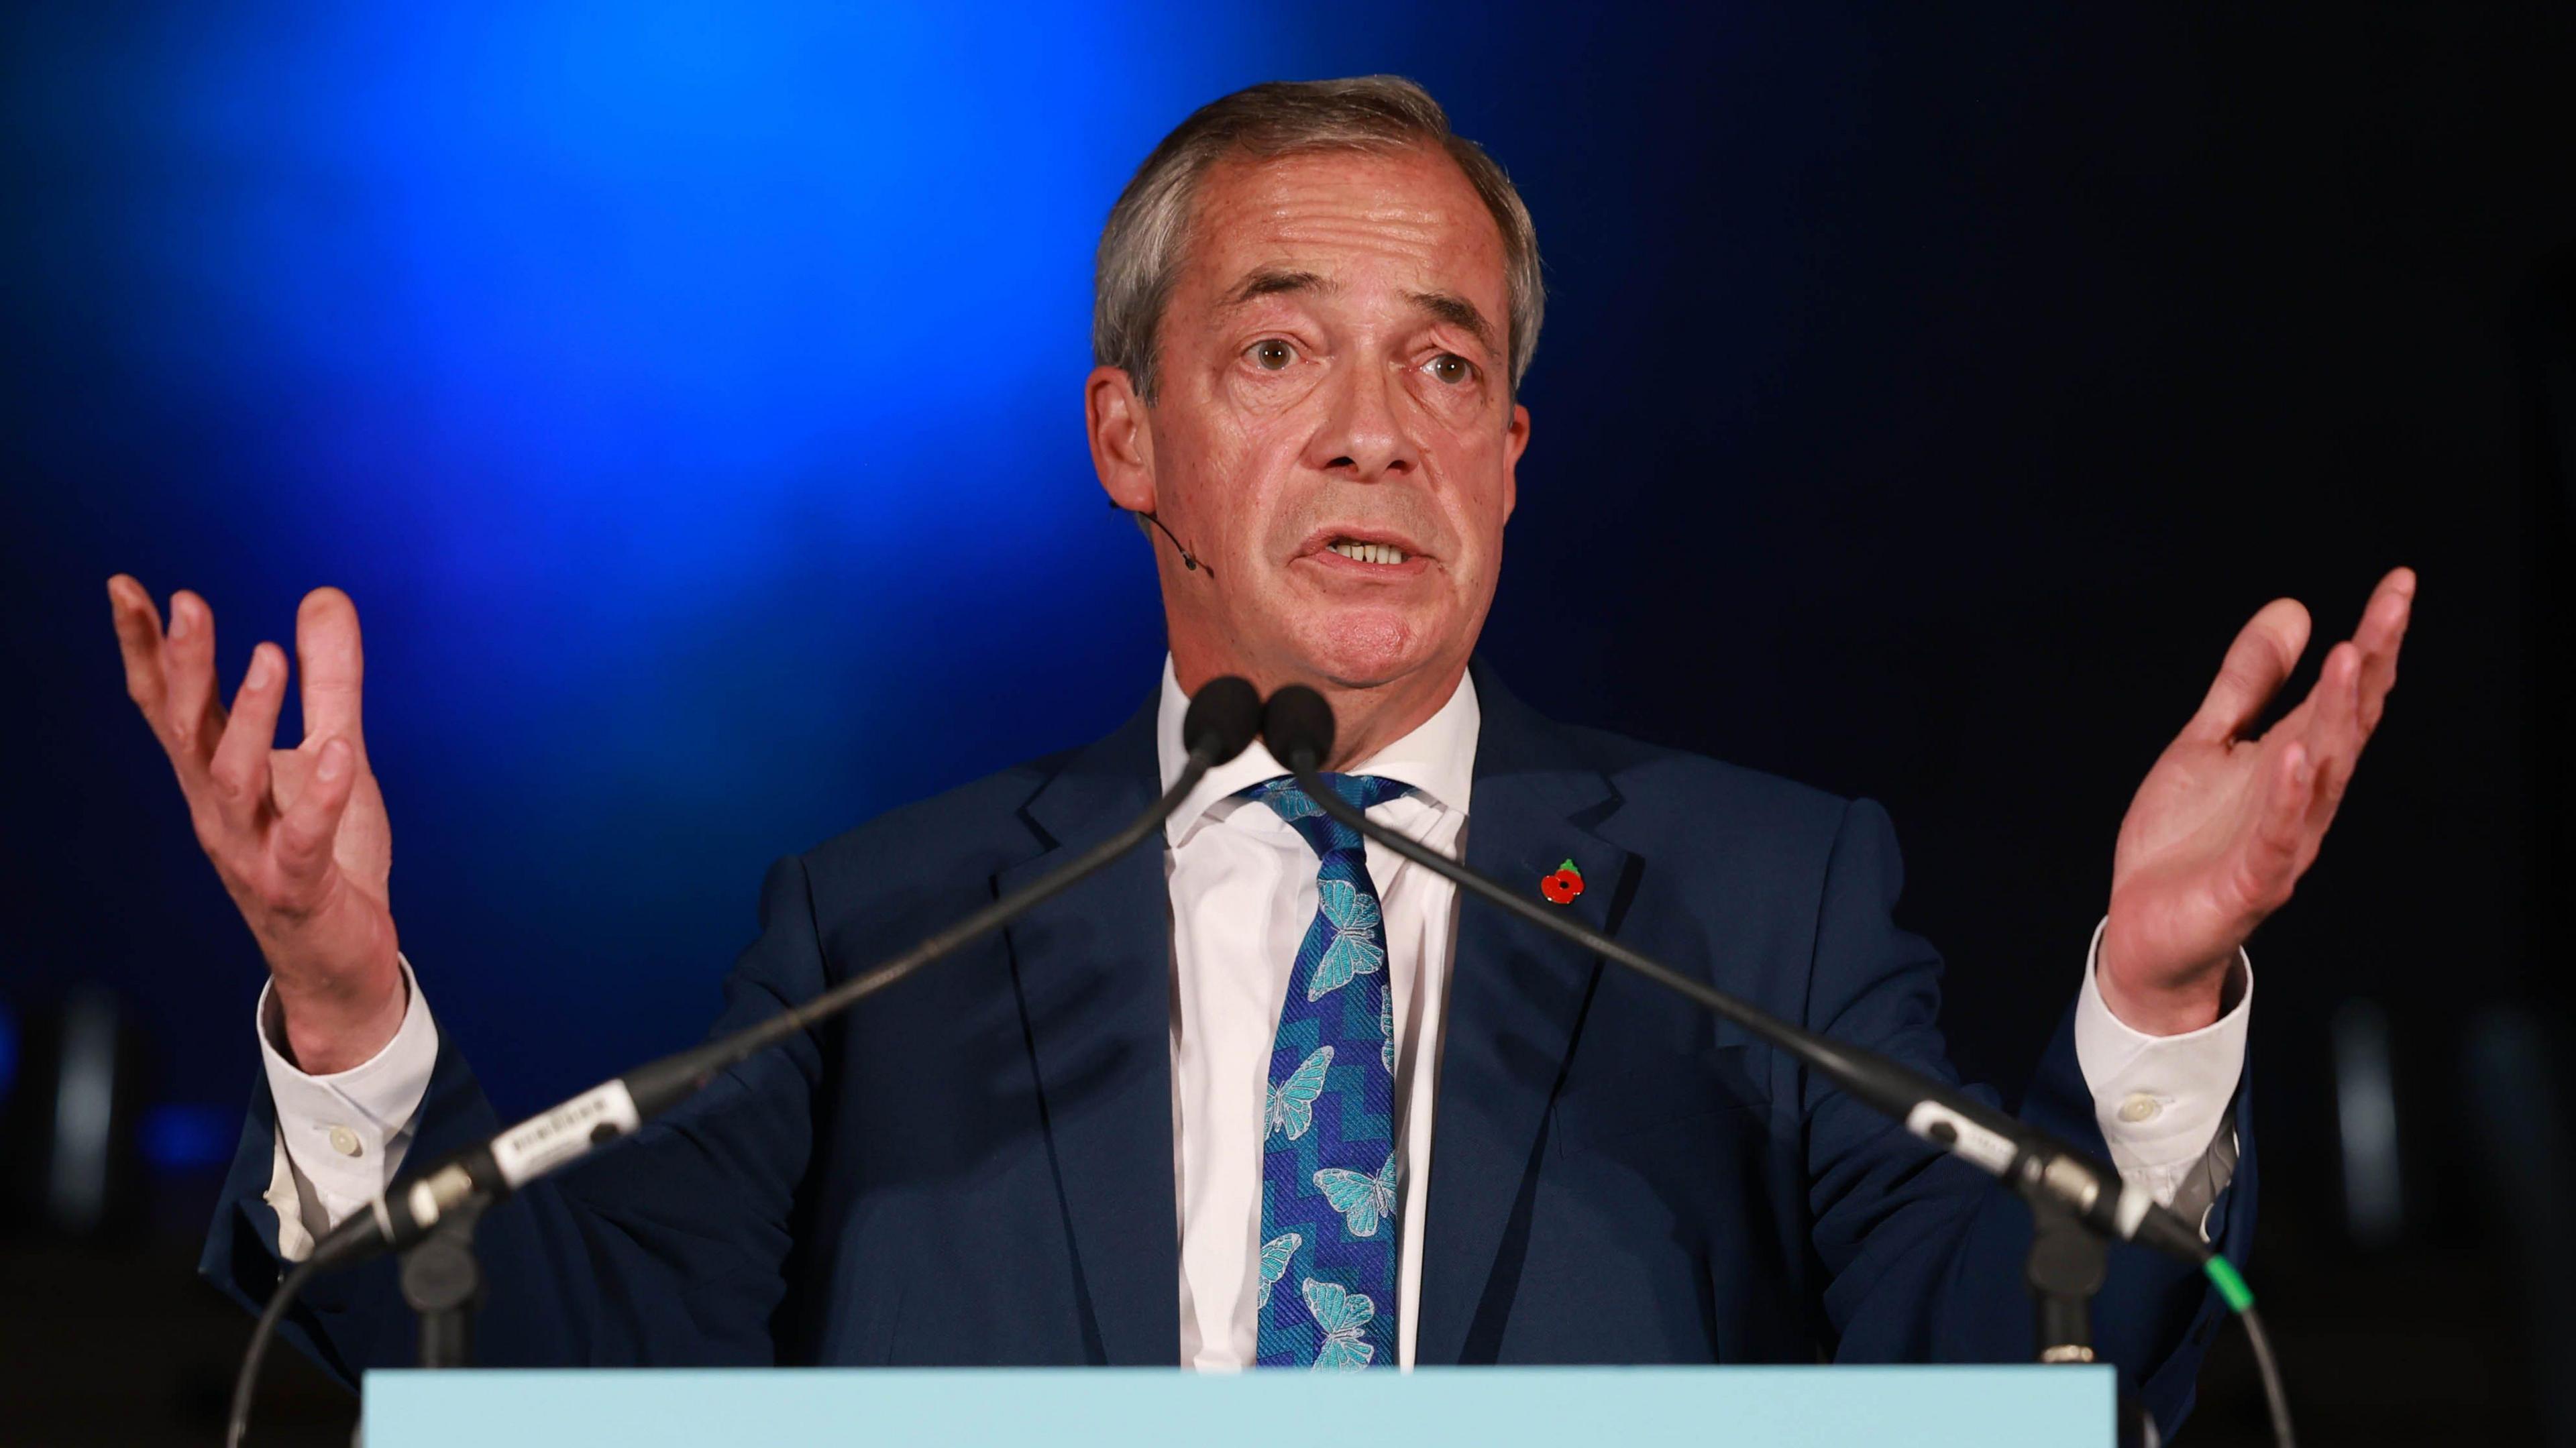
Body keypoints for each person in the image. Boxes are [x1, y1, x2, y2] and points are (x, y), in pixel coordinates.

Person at [107, 77, 2410, 1429]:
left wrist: (2153, 1000)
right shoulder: (888, 927)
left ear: (1514, 452)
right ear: (1130, 434)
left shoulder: (1761, 894)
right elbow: (553, 1378)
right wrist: (341, 1015)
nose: (1373, 439)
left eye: (1441, 372)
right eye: (1280, 351)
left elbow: (2020, 1365)